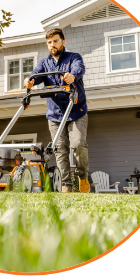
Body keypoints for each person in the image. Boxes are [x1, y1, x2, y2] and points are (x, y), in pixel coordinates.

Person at [24, 28, 90, 193]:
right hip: (55, 114)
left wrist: (72, 76)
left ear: (63, 42)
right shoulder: (44, 63)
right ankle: (66, 186)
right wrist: (30, 81)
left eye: (55, 41)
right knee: (60, 150)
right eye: (49, 42)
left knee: (78, 145)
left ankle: (82, 176)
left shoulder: (73, 57)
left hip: (76, 110)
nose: (52, 45)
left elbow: (79, 68)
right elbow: (36, 74)